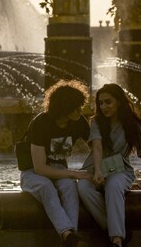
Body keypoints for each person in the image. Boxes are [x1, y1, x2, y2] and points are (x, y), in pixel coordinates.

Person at [78, 83, 141, 247]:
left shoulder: (133, 124)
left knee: (114, 186)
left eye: (108, 102)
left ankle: (116, 239)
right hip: (96, 168)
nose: (103, 107)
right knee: (83, 187)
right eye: (100, 103)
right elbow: (97, 146)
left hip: (119, 170)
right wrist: (98, 171)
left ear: (119, 102)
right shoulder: (96, 122)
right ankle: (112, 226)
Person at [20, 80, 91, 247]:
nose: (81, 110)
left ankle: (70, 238)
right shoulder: (40, 123)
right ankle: (69, 235)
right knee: (46, 187)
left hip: (59, 170)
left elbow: (98, 148)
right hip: (31, 173)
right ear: (65, 107)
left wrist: (114, 171)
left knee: (69, 186)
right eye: (77, 106)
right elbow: (40, 167)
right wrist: (74, 173)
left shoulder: (78, 121)